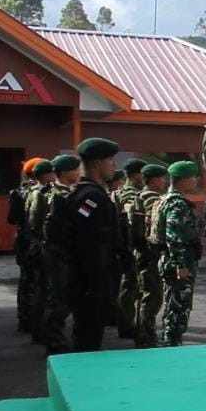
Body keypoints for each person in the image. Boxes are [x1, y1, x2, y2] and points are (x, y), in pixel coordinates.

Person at [66, 138, 122, 352]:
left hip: (87, 279)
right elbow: (90, 242)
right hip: (91, 281)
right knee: (88, 338)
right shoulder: (91, 197)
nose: (114, 166)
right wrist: (95, 285)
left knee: (86, 333)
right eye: (110, 161)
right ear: (98, 163)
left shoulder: (85, 193)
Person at [38, 155, 80, 354]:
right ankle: (54, 340)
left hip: (53, 251)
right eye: (74, 170)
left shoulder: (52, 193)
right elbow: (56, 230)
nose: (77, 174)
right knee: (59, 297)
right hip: (58, 253)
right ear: (64, 172)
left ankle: (50, 335)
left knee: (55, 294)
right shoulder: (60, 196)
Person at [158, 161, 202, 347]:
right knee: (178, 307)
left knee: (172, 304)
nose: (196, 180)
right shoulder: (177, 204)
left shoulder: (164, 200)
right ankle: (172, 346)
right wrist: (181, 265)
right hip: (178, 263)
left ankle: (170, 341)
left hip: (170, 260)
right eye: (192, 177)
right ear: (182, 180)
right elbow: (173, 235)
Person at [130, 164, 168, 348]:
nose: (164, 181)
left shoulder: (139, 196)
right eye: (161, 178)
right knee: (152, 295)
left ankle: (142, 332)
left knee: (144, 293)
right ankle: (146, 336)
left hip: (141, 251)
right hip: (149, 252)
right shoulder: (152, 199)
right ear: (152, 179)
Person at [23, 159, 57, 343]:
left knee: (41, 288)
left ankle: (39, 327)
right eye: (51, 172)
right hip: (40, 245)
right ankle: (39, 330)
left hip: (38, 243)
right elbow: (36, 221)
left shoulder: (37, 191)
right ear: (44, 175)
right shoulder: (37, 193)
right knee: (43, 289)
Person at [113, 158, 146, 339]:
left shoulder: (129, 191)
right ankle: (126, 325)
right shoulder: (130, 193)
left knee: (131, 286)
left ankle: (127, 323)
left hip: (129, 243)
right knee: (129, 286)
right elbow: (131, 216)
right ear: (135, 174)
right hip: (130, 245)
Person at [9, 157, 42, 334]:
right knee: (36, 281)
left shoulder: (17, 192)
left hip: (22, 239)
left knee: (25, 280)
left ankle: (25, 319)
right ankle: (34, 319)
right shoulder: (38, 192)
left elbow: (11, 218)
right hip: (32, 241)